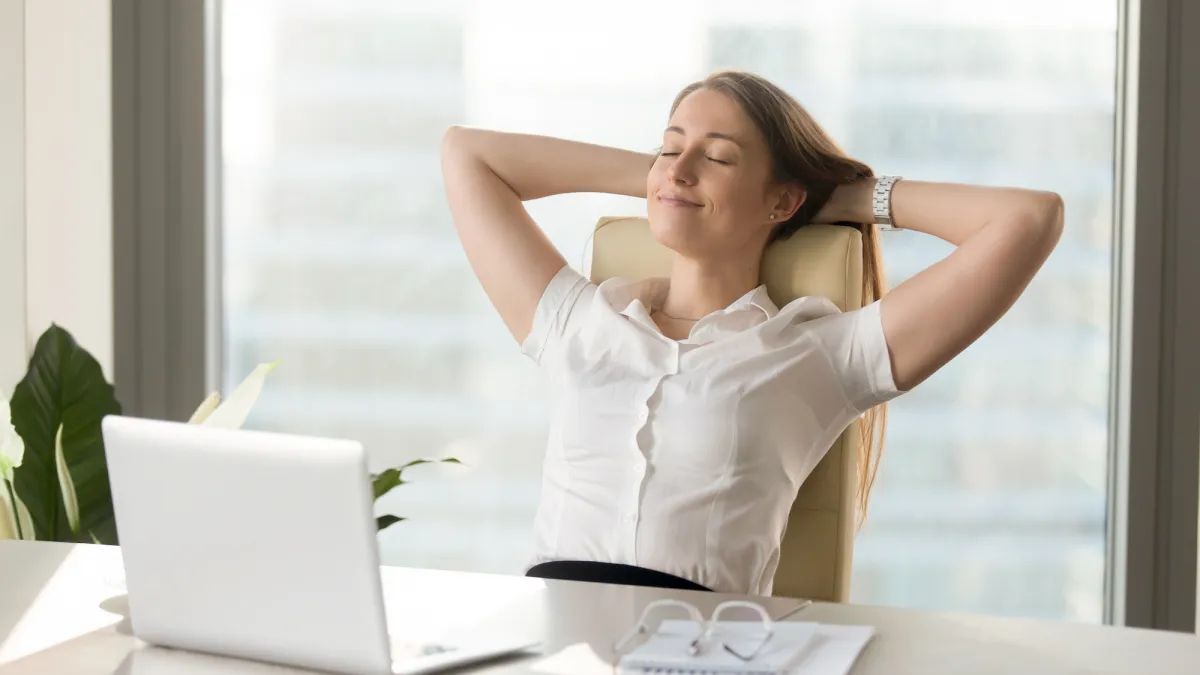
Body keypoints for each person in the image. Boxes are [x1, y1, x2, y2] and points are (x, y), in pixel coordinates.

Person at [439, 70, 1063, 596]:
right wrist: (666, 182)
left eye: (716, 157)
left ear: (782, 202)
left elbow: (1028, 219)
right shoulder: (578, 320)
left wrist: (841, 197)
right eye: (669, 146)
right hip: (551, 644)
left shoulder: (820, 355)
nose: (680, 167)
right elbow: (466, 153)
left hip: (702, 650)